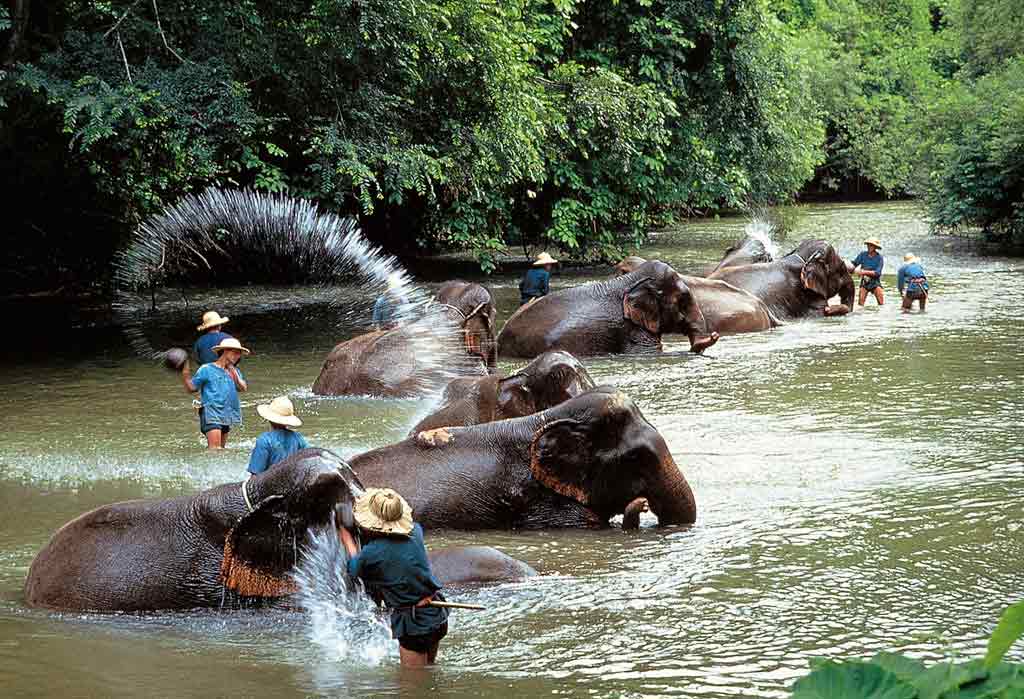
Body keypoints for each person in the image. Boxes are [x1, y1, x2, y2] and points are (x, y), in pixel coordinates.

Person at [339, 488, 449, 668]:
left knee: (411, 688)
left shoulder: (372, 553)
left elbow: (354, 568)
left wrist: (347, 539)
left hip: (414, 625)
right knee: (429, 670)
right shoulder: (416, 532)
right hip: (436, 613)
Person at [181, 337, 249, 449]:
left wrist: (233, 373)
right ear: (225, 351)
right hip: (210, 412)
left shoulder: (235, 371)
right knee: (215, 449)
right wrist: (185, 373)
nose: (238, 356)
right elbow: (191, 388)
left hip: (226, 414)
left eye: (239, 354)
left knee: (221, 450)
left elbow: (243, 388)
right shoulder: (206, 369)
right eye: (235, 352)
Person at [247, 396, 309, 475]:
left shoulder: (264, 440)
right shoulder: (298, 438)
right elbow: (308, 457)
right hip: (292, 481)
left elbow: (255, 473)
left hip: (270, 483)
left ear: (269, 419)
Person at [851, 238, 885, 306]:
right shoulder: (863, 255)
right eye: (868, 245)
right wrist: (848, 267)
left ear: (875, 247)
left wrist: (863, 272)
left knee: (881, 304)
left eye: (871, 245)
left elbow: (877, 273)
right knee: (860, 305)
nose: (869, 247)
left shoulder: (879, 258)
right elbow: (854, 264)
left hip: (875, 282)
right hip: (865, 282)